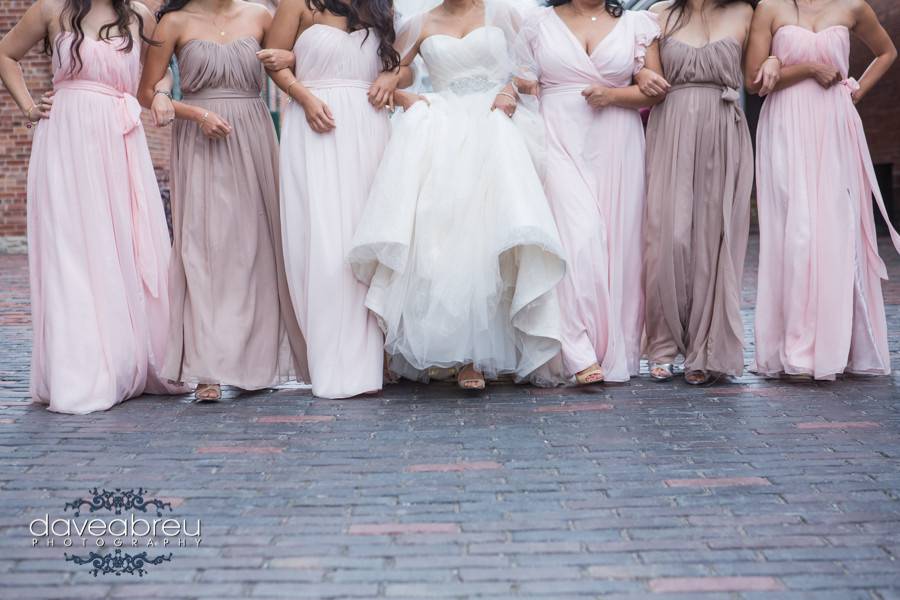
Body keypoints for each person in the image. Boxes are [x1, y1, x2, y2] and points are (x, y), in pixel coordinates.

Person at [348, 0, 567, 390]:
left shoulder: (503, 14)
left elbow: (528, 69)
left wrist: (509, 90)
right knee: (445, 239)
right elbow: (392, 72)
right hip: (443, 131)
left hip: (496, 127)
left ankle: (488, 355)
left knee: (493, 236)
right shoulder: (421, 22)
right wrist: (402, 94)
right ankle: (462, 355)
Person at [0, 0, 183, 413]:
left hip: (120, 139)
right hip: (65, 138)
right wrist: (29, 108)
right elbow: (5, 53)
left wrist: (165, 93)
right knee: (73, 250)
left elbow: (159, 74)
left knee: (125, 247)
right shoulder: (49, 10)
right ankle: (80, 369)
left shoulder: (139, 15)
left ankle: (127, 358)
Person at [139, 0, 308, 401]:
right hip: (200, 138)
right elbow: (147, 91)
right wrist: (191, 113)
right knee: (202, 247)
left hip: (252, 134)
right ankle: (207, 370)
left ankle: (257, 365)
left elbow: (306, 64)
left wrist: (292, 54)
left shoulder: (262, 16)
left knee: (256, 248)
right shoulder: (174, 22)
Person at [746, 0, 898, 380]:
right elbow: (753, 80)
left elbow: (886, 52)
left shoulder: (853, 6)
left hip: (833, 124)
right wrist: (802, 68)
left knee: (832, 233)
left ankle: (833, 346)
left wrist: (856, 90)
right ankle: (796, 350)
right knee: (796, 234)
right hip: (783, 124)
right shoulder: (769, 7)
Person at [264, 0, 405, 398]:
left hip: (370, 128)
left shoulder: (381, 8)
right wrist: (303, 96)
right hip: (315, 127)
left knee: (369, 240)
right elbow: (272, 62)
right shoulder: (298, 5)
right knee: (324, 245)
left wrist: (392, 77)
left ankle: (378, 355)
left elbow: (399, 61)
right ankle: (331, 357)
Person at [516, 0, 663, 384]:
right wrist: (519, 83)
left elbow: (656, 91)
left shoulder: (637, 25)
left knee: (619, 246)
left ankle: (615, 348)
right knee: (576, 238)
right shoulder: (537, 24)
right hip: (558, 138)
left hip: (618, 142)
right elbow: (514, 76)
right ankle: (577, 351)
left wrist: (618, 93)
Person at [636, 0, 759, 385]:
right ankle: (663, 345)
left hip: (723, 129)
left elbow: (756, 74)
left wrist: (772, 64)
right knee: (668, 239)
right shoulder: (657, 14)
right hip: (671, 126)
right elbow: (639, 72)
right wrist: (640, 75)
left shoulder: (746, 12)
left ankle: (706, 350)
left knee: (713, 241)